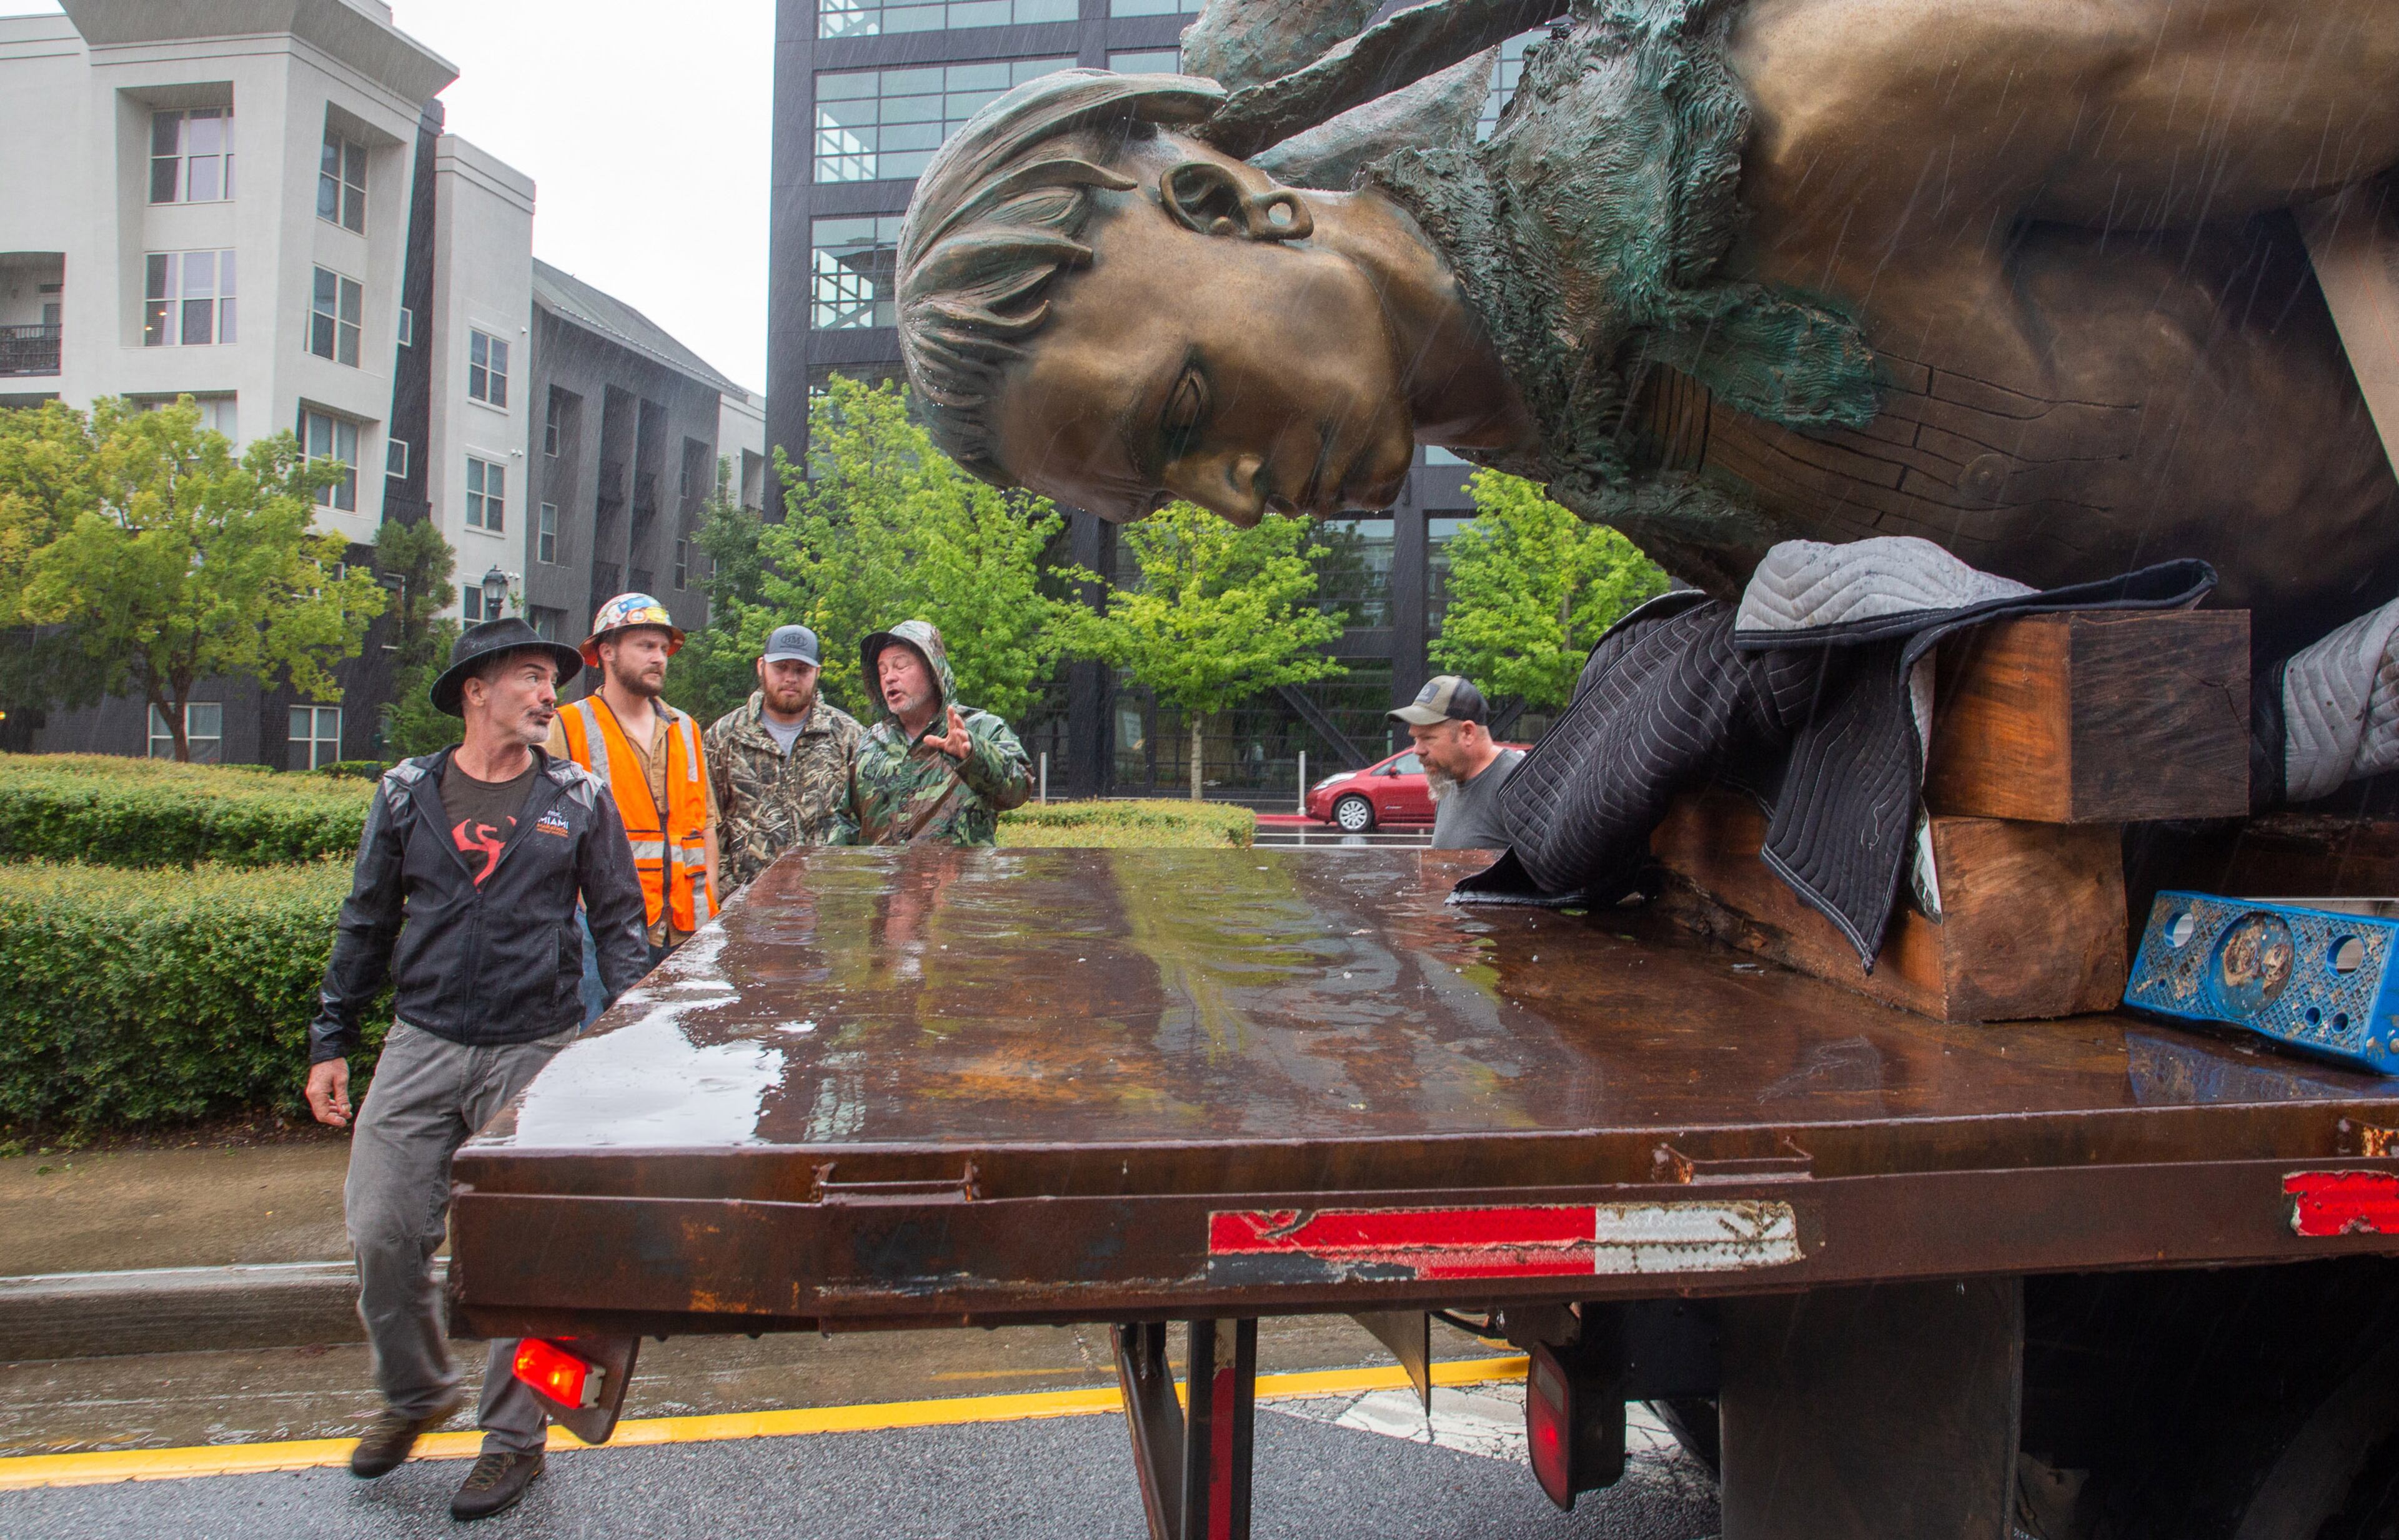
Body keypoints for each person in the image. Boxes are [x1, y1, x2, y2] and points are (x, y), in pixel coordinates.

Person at [304, 616, 648, 1522]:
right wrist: (330, 1037)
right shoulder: (407, 793)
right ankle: (416, 1392)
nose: (549, 696)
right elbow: (366, 922)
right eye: (533, 678)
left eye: (553, 681)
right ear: (477, 691)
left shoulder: (578, 796)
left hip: (534, 1049)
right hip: (421, 1043)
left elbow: (619, 926)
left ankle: (512, 1443)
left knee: (522, 1261)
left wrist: (639, 1038)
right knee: (381, 1230)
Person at [548, 594, 720, 1022]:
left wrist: (709, 894)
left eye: (664, 648)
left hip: (686, 927)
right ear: (606, 651)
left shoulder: (685, 728)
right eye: (645, 645)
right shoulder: (567, 727)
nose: (659, 657)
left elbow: (707, 823)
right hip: (602, 934)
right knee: (605, 1049)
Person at [842, 619, 1032, 846]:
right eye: (882, 672)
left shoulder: (980, 727)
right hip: (885, 880)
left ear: (933, 671)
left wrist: (973, 754)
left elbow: (1019, 789)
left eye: (900, 666)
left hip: (961, 880)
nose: (890, 677)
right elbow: (847, 822)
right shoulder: (869, 744)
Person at [705, 623, 865, 888]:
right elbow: (707, 827)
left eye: (802, 670)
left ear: (817, 674)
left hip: (826, 908)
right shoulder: (725, 737)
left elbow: (870, 825)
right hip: (747, 911)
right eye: (781, 668)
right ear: (761, 667)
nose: (791, 678)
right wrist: (729, 894)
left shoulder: (847, 735)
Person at [1389, 675, 1523, 850]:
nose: (1417, 750)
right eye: (1415, 739)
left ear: (1467, 733)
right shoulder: (1449, 778)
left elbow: (1551, 874)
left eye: (1428, 738)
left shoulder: (1519, 784)